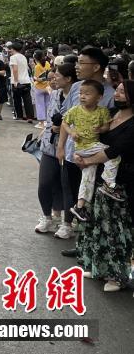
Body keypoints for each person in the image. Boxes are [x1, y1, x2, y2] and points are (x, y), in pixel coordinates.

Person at [74, 79, 134, 292]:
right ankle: (98, 267)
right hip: (100, 177)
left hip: (121, 183)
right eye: (117, 91)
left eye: (122, 92)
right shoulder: (111, 114)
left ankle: (117, 277)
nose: (117, 94)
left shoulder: (132, 124)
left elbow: (113, 151)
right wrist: (81, 154)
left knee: (115, 230)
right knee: (97, 225)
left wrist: (88, 160)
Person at [58, 46, 116, 258]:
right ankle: (80, 241)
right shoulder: (76, 87)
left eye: (81, 63)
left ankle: (88, 246)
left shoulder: (111, 95)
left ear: (97, 66)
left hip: (94, 158)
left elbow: (110, 129)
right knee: (74, 194)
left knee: (90, 198)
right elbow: (66, 119)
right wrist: (61, 147)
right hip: (72, 152)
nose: (77, 66)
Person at [35, 63, 77, 238]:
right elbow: (50, 119)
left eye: (56, 77)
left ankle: (67, 224)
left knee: (67, 187)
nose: (53, 80)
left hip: (70, 147)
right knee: (44, 183)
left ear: (68, 79)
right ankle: (47, 217)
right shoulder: (54, 94)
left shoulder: (78, 96)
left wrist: (63, 128)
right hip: (49, 145)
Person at [65, 80, 117, 223]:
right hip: (84, 148)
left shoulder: (102, 111)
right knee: (112, 154)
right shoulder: (75, 110)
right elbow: (64, 123)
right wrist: (71, 132)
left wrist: (101, 129)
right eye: (81, 93)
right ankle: (109, 183)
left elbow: (106, 126)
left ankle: (80, 205)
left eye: (87, 94)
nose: (82, 96)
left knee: (88, 176)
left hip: (92, 148)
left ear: (99, 97)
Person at [9, 43, 34, 122]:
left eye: (11, 48)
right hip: (26, 80)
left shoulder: (13, 57)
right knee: (27, 99)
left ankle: (19, 115)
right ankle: (30, 117)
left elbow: (15, 69)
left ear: (13, 49)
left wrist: (16, 81)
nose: (10, 50)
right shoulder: (23, 57)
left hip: (17, 81)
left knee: (17, 99)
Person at [32, 49, 51, 126]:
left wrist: (34, 78)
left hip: (39, 87)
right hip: (47, 86)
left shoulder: (37, 66)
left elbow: (38, 79)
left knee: (40, 104)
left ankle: (41, 122)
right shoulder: (47, 63)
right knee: (48, 104)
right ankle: (48, 121)